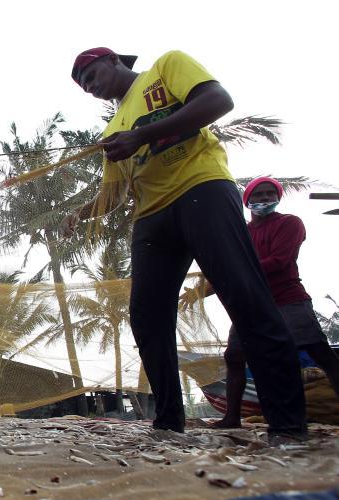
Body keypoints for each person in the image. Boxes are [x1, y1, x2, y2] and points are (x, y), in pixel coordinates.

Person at [63, 48, 307, 442]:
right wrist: (79, 214)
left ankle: (288, 425)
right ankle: (168, 421)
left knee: (244, 296)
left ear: (114, 61)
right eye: (84, 84)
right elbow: (114, 194)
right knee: (147, 318)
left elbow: (218, 101)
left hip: (202, 189)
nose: (90, 86)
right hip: (151, 220)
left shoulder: (165, 68)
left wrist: (142, 134)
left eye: (91, 74)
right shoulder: (113, 134)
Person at [183, 177, 339, 428]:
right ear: (248, 201)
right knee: (234, 355)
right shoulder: (241, 233)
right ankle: (232, 417)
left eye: (269, 193)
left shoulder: (290, 223)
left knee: (320, 353)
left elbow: (280, 261)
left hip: (288, 300)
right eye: (258, 195)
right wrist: (197, 293)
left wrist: (233, 272)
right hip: (249, 303)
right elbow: (227, 270)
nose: (265, 198)